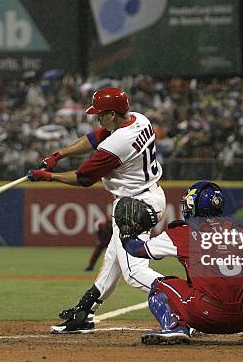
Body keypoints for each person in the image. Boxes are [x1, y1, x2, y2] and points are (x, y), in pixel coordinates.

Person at [27, 87, 166, 333]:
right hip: (141, 198)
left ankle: (185, 300)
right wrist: (58, 154)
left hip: (136, 205)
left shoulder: (118, 143)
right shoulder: (138, 119)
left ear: (112, 114)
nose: (97, 117)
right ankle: (85, 313)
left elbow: (83, 178)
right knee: (111, 261)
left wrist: (47, 176)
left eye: (100, 114)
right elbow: (94, 138)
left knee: (133, 272)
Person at [120, 182, 243, 345]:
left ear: (192, 205)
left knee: (160, 285)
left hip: (207, 316)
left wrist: (125, 235)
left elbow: (138, 250)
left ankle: (175, 327)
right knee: (236, 292)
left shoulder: (182, 232)